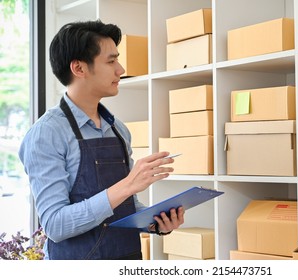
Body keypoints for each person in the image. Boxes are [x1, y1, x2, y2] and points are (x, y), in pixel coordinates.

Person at [18, 20, 184, 260]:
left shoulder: (118, 130)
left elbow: (125, 206)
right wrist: (127, 185)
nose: (121, 69)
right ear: (79, 68)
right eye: (111, 61)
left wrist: (155, 222)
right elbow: (55, 225)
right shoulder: (47, 134)